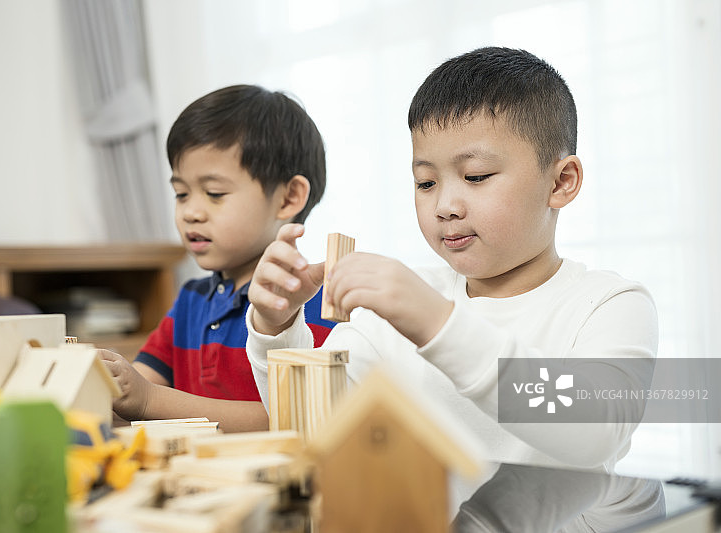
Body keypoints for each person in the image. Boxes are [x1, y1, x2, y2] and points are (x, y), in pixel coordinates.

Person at [245, 47, 658, 470]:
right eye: (425, 183)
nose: (445, 205)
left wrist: (436, 323)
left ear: (561, 181)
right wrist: (275, 328)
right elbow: (314, 431)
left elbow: (594, 431)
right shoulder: (392, 314)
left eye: (476, 176)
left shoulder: (610, 303)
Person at [101, 85, 335, 432]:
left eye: (214, 194)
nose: (191, 212)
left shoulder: (309, 303)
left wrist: (150, 399)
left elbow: (290, 418)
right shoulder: (191, 301)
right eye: (181, 194)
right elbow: (131, 392)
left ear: (288, 198)